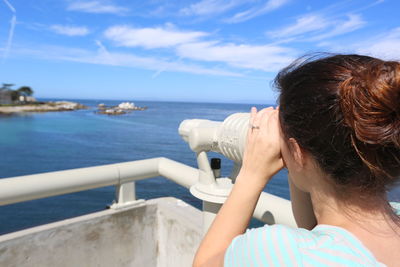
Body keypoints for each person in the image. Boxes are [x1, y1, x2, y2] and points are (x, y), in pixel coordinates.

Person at [193, 54, 400, 267]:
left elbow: (205, 263)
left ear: (296, 151)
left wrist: (252, 173)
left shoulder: (280, 252)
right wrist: (294, 149)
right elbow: (314, 229)